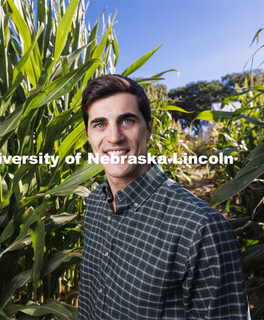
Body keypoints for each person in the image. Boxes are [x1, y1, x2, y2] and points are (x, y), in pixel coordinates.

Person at [78, 74, 248, 319]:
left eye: (127, 121)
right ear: (88, 135)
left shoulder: (202, 229)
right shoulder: (94, 204)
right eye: (100, 124)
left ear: (149, 128)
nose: (114, 137)